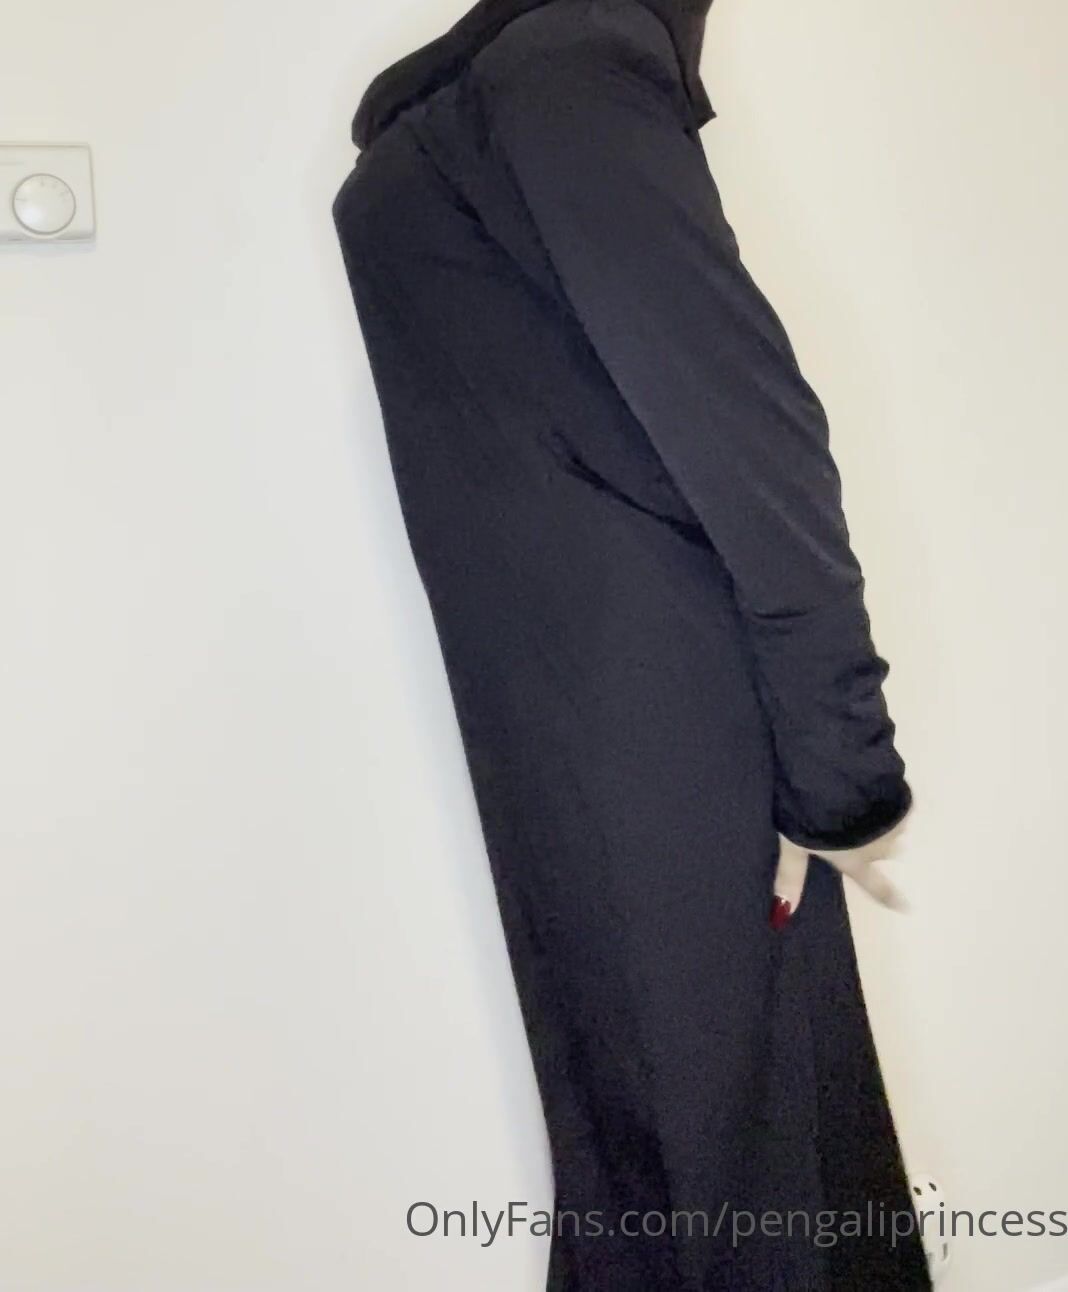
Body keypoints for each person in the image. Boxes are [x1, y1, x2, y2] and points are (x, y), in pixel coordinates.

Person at [333, 0, 930, 1285]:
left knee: (668, 1173)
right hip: (675, 740)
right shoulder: (572, 72)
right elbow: (753, 432)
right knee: (738, 1185)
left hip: (575, 741)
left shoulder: (436, 139)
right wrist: (844, 770)